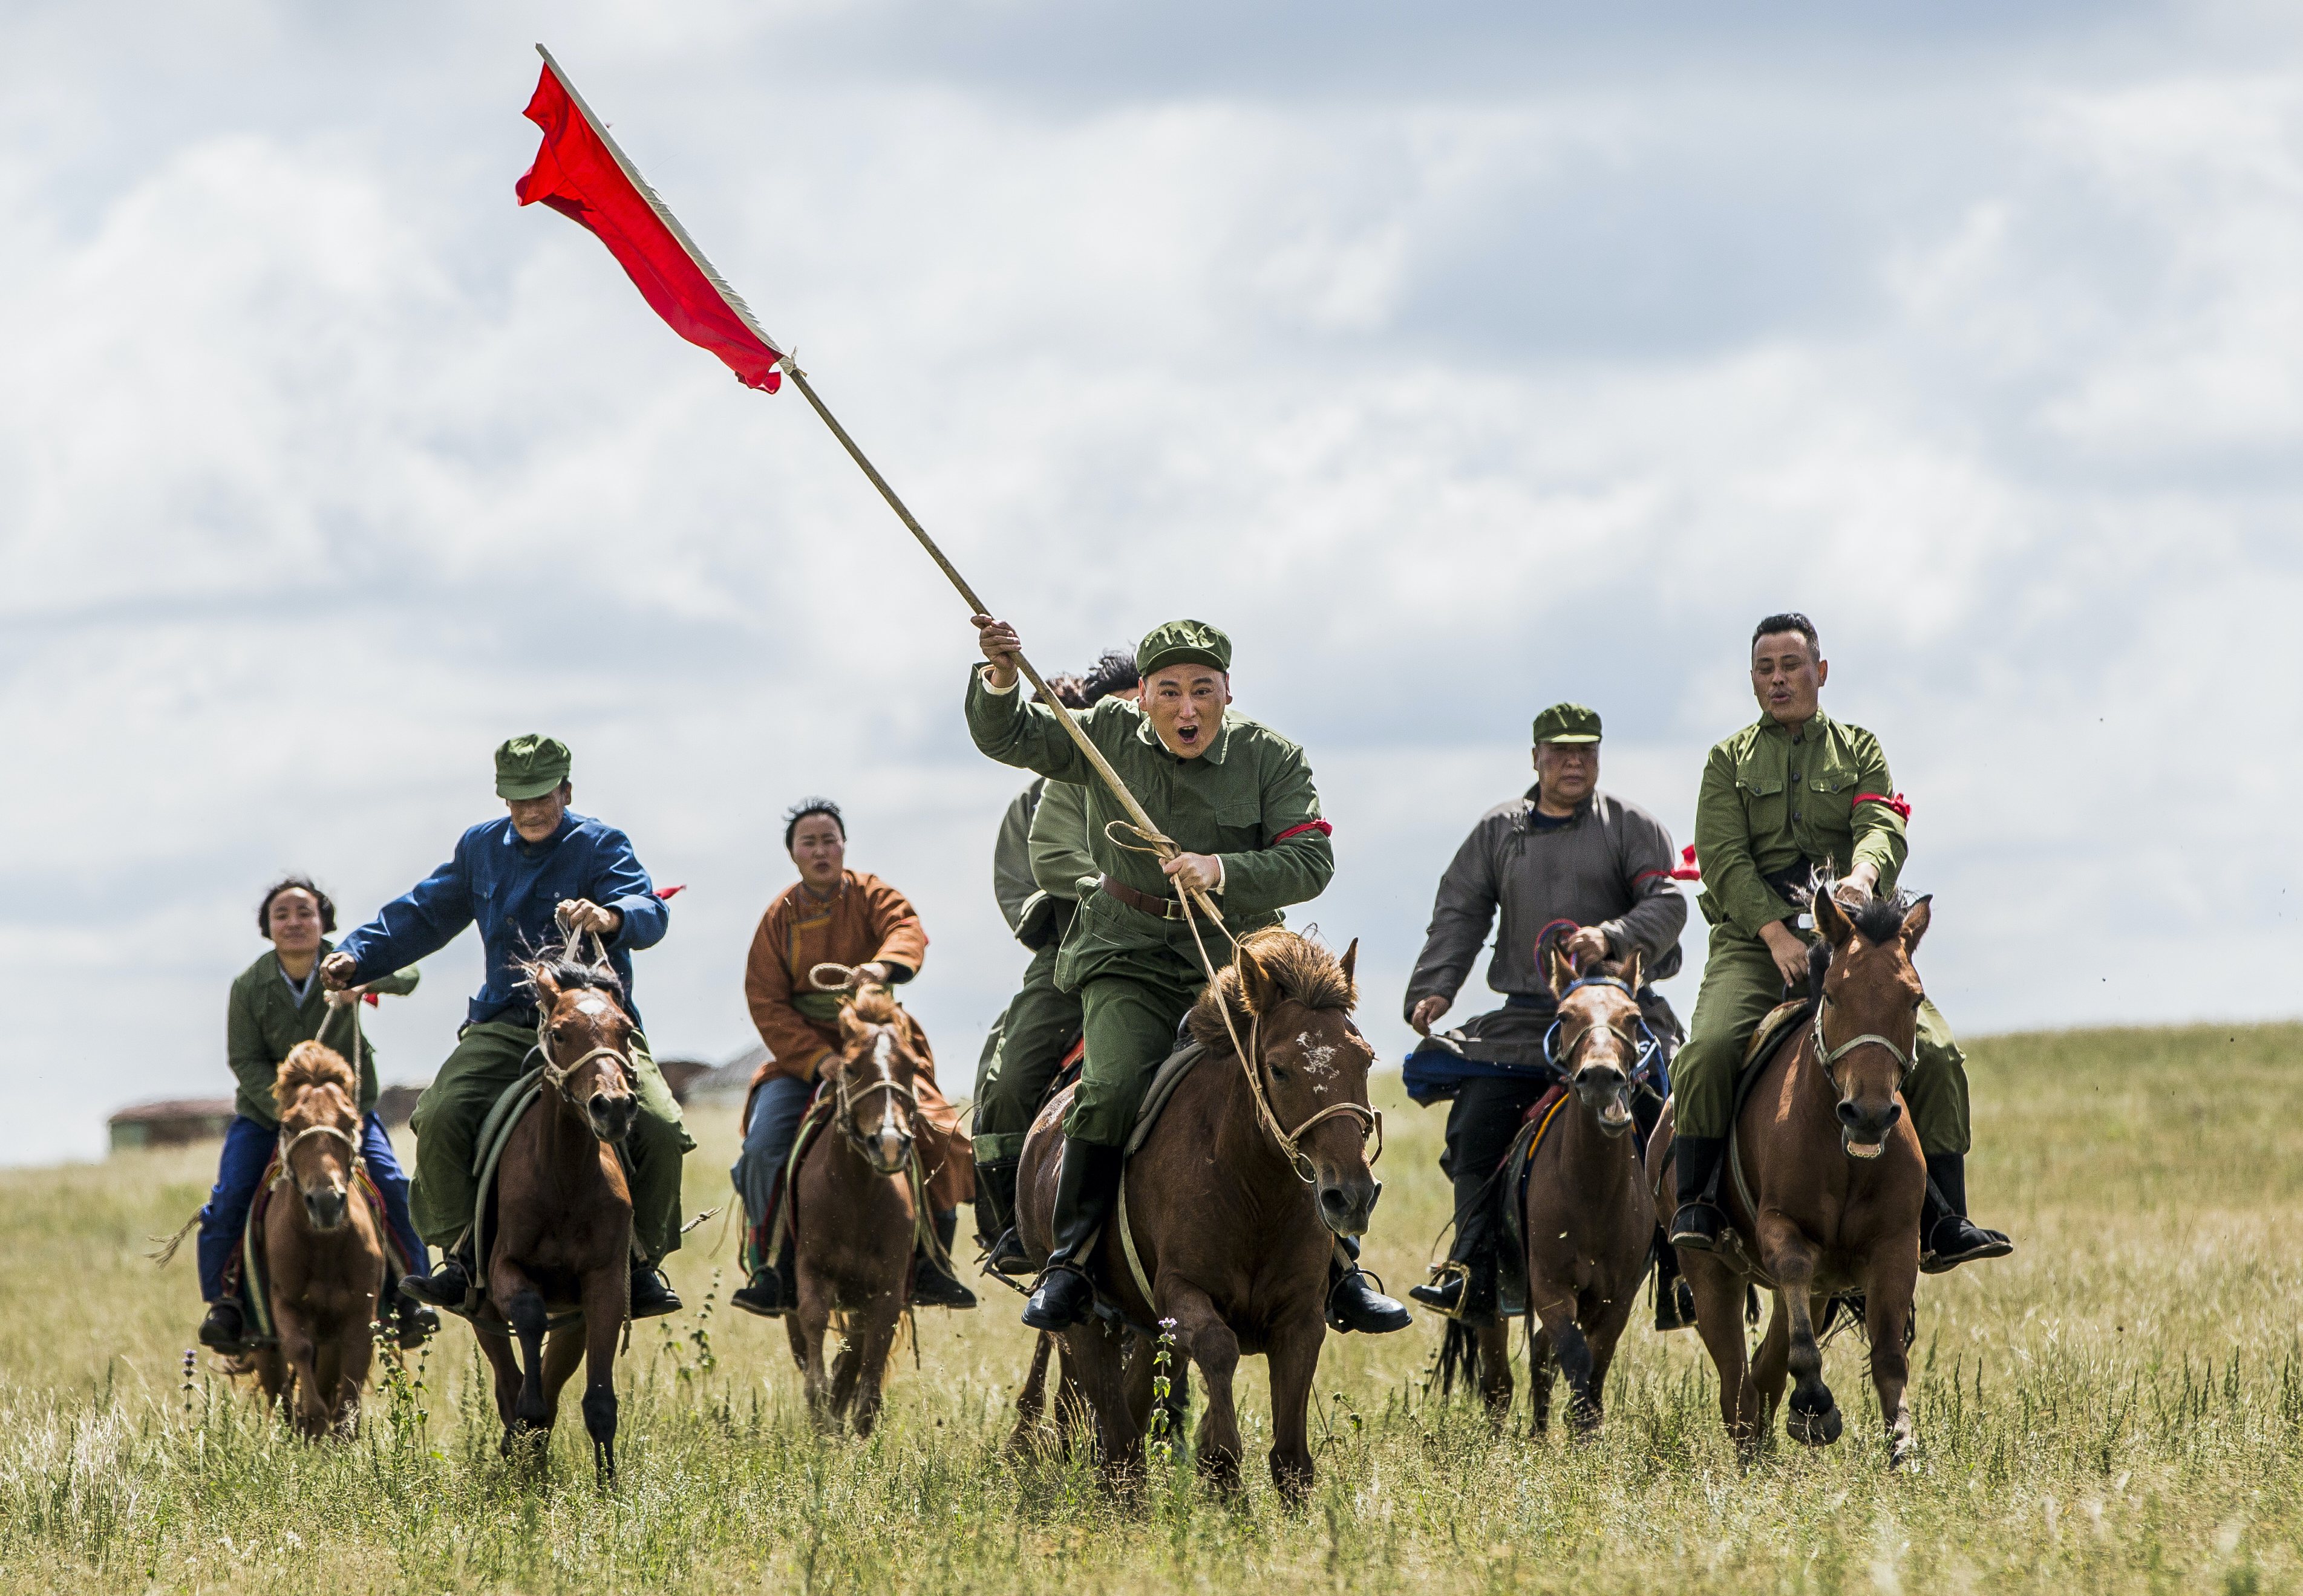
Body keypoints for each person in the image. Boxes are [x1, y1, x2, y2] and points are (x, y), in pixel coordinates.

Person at [965, 613, 1410, 1335]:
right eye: (1169, 691)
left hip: (1244, 958)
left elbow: (1311, 861)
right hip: (1130, 953)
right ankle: (1070, 1263)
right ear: (1142, 696)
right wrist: (1003, 676)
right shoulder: (1103, 733)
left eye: (1203, 690)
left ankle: (1342, 1270)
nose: (1187, 708)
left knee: (1309, 1080)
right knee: (1107, 1089)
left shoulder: (1276, 758)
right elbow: (1009, 735)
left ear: (1228, 693)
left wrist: (1223, 868)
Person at [1667, 614, 2012, 1274]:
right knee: (1708, 1049)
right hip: (1753, 941)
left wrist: (1863, 875)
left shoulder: (1859, 749)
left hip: (1855, 940)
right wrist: (1773, 932)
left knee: (1937, 1051)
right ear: (1752, 679)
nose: (1778, 679)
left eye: (1791, 666)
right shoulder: (1726, 761)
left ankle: (1945, 1220)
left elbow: (1881, 819)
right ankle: (1698, 1203)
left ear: (1820, 673)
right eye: (1765, 668)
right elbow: (1722, 855)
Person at [322, 734, 693, 1319]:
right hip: (506, 1024)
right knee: (439, 1115)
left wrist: (611, 915)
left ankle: (640, 1264)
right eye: (517, 800)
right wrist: (357, 955)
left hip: (592, 1029)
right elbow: (423, 913)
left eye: (541, 796)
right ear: (503, 800)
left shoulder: (601, 845)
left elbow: (651, 911)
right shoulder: (480, 849)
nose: (530, 810)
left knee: (663, 1129)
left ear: (565, 791)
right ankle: (462, 1258)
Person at [1400, 703, 1690, 1327]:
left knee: (1664, 1116)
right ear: (1535, 756)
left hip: (1618, 1019)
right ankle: (1471, 1266)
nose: (1573, 761)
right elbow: (1460, 913)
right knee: (1475, 1123)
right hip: (1529, 1021)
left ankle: (1678, 1268)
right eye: (1559, 751)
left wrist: (1611, 938)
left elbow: (1667, 904)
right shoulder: (1496, 832)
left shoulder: (1631, 824)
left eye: (1586, 750)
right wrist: (1433, 987)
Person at [727, 799, 978, 1317]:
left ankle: (934, 1263)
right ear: (793, 854)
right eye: (808, 842)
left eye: (829, 839)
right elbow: (766, 1002)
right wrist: (818, 1059)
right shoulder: (779, 916)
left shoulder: (872, 894)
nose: (820, 850)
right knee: (761, 1148)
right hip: (805, 1060)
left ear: (843, 844)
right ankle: (770, 1265)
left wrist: (882, 967)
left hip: (880, 1046)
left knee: (942, 1133)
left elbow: (906, 929)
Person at [195, 877, 430, 1353]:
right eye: (282, 914)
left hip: (346, 1118)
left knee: (392, 1185)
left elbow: (409, 975)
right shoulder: (248, 985)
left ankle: (413, 1293)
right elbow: (244, 1059)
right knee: (230, 1198)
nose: (294, 922)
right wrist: (288, 1110)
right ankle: (225, 1306)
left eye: (305, 912)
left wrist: (364, 978)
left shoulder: (345, 959)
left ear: (323, 920)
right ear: (268, 927)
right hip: (269, 1117)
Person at [972, 649, 1139, 1274]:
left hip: (1176, 949)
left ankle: (1332, 1256)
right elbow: (1026, 884)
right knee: (1012, 1074)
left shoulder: (1181, 780)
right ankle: (1010, 1225)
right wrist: (1100, 891)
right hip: (1070, 951)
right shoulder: (1039, 800)